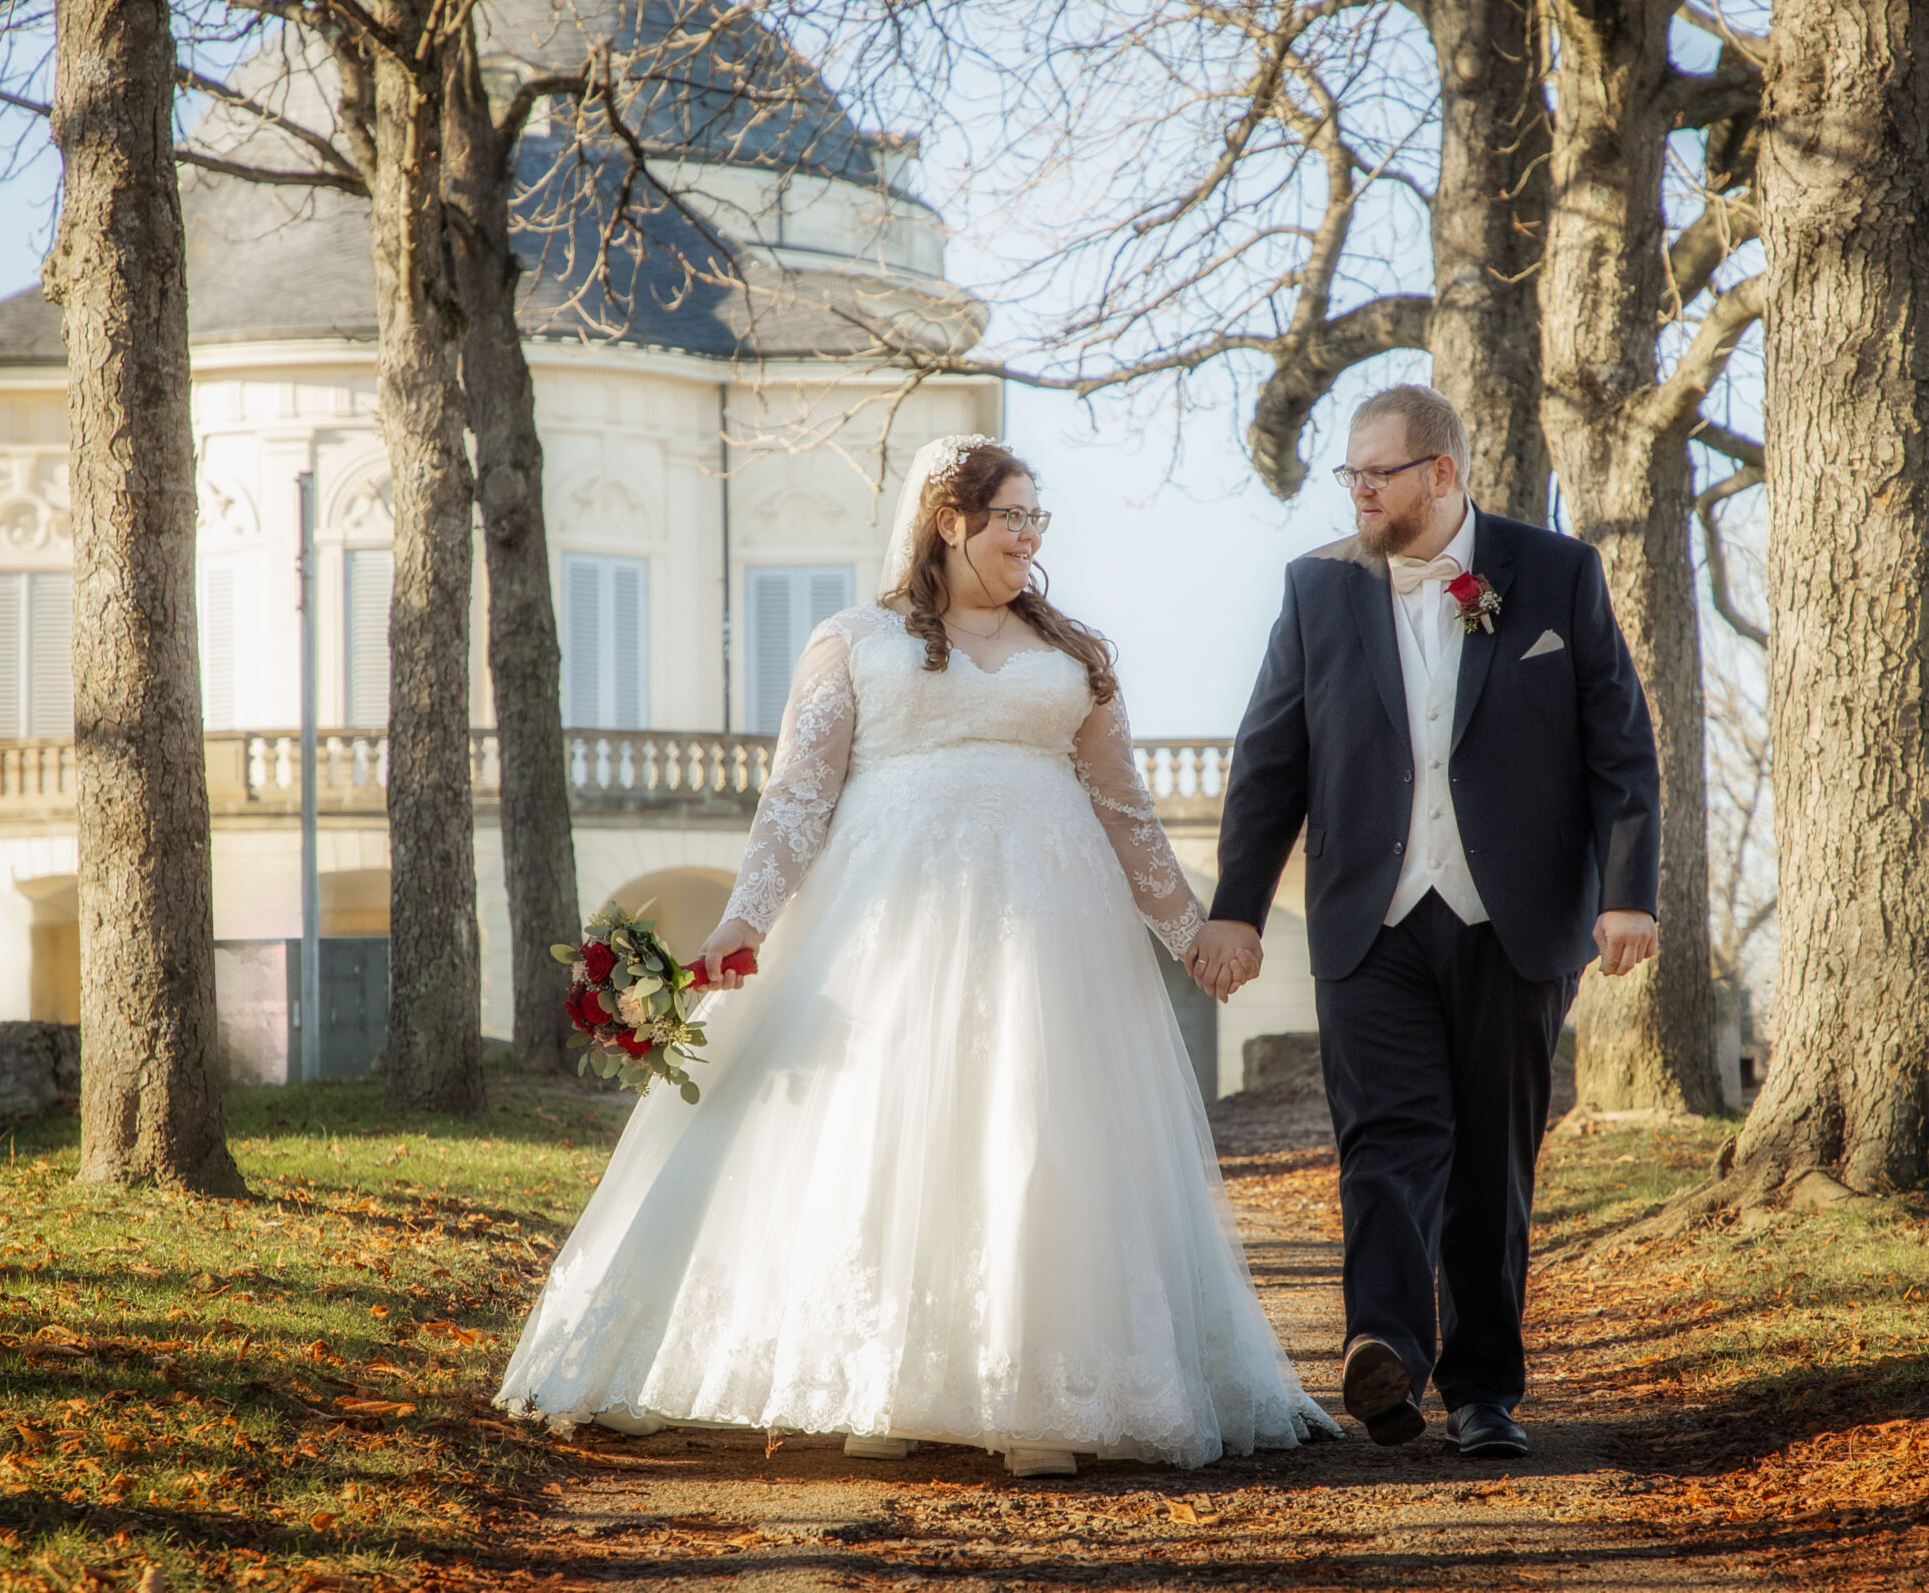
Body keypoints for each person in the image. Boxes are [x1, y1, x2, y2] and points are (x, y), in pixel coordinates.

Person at [497, 435, 1334, 1478]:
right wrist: (743, 922)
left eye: (1039, 520)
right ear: (950, 522)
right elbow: (797, 801)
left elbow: (1125, 810)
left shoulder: (1077, 652)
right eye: (1012, 517)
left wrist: (1192, 933)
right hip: (887, 917)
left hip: (1049, 920)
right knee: (884, 1124)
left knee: (1035, 1121)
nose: (1031, 537)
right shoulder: (852, 641)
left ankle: (1038, 1387)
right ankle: (877, 1377)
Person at [1191, 383, 1662, 1460]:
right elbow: (1270, 764)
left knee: (1493, 1162)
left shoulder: (1555, 573)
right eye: (1348, 474)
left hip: (1519, 917)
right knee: (1385, 1142)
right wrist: (1237, 910)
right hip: (1371, 916)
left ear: (1441, 474)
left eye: (1378, 472)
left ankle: (1486, 1391)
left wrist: (1628, 892)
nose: (1358, 490)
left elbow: (1619, 748)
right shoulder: (1314, 591)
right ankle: (1386, 1348)